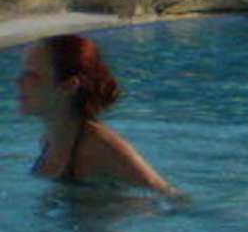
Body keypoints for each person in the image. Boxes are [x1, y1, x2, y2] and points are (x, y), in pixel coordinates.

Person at [19, 34, 173, 193]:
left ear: (68, 86)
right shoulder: (49, 140)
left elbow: (168, 196)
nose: (19, 82)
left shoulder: (100, 148)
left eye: (32, 76)